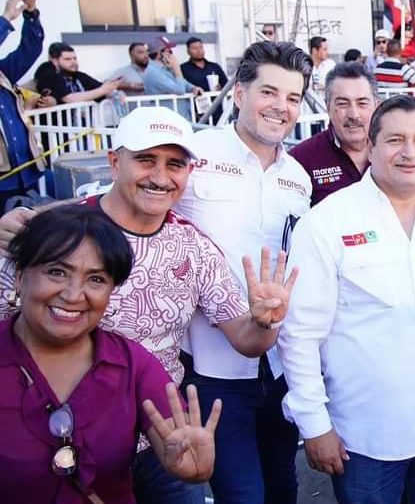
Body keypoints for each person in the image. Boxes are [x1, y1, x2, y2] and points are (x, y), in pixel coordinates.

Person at [0, 105, 297, 504]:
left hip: (162, 443)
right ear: (114, 162)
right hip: (52, 442)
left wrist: (265, 322)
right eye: (145, 160)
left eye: (174, 164)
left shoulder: (192, 246)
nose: (160, 177)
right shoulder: (59, 233)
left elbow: (245, 338)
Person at [278, 95, 415, 504]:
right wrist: (314, 425)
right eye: (395, 139)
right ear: (370, 147)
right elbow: (299, 333)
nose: (410, 152)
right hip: (365, 438)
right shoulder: (327, 222)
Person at [0, 205, 222, 503]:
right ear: (19, 276)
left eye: (96, 279)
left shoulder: (132, 364)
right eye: (56, 272)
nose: (73, 294)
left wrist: (189, 467)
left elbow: (175, 441)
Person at [172, 40, 314, 504]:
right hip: (209, 367)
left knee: (282, 487)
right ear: (239, 94)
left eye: (293, 97)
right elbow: (135, 200)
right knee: (241, 495)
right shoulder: (195, 152)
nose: (281, 107)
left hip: (277, 368)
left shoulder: (298, 178)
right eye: (269, 92)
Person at [290, 62, 378, 206]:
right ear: (327, 106)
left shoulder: (393, 154)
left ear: (376, 106)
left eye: (362, 103)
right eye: (343, 103)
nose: (354, 115)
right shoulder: (300, 160)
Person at [0, 0, 46, 209]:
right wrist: (6, 18)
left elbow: (30, 49)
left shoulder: (4, 73)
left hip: (25, 173)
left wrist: (30, 14)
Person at [35, 42, 122, 105]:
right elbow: (69, 98)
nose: (73, 62)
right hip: (59, 128)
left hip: (83, 128)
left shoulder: (78, 75)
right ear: (55, 61)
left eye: (74, 58)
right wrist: (103, 90)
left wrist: (113, 92)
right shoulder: (47, 74)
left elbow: (99, 88)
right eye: (68, 59)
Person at [143, 38, 203, 121]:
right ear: (159, 53)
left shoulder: (164, 68)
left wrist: (193, 88)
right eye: (169, 51)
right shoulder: (153, 72)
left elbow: (182, 82)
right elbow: (180, 90)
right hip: (169, 121)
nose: (172, 54)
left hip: (180, 118)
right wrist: (177, 68)